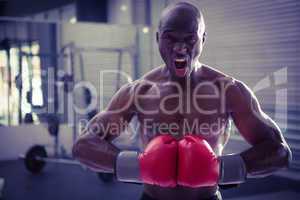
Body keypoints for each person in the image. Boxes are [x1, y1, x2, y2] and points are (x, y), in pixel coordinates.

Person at [72, 2, 292, 200]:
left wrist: (223, 169)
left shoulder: (228, 90)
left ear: (203, 39)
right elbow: (84, 146)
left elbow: (279, 151)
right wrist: (138, 167)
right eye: (170, 37)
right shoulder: (138, 92)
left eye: (190, 38)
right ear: (158, 38)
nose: (179, 48)